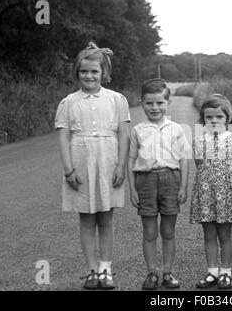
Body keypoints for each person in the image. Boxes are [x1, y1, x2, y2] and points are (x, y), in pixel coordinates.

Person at [54, 42, 130, 290]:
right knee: (86, 219)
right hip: (81, 163)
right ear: (77, 72)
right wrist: (68, 169)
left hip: (108, 162)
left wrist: (121, 166)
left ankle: (106, 269)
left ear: (103, 73)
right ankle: (91, 270)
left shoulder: (117, 100)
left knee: (106, 218)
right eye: (84, 71)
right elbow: (64, 136)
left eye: (94, 72)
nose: (89, 76)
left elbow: (123, 135)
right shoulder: (68, 102)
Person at [128, 78, 190, 290]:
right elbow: (130, 160)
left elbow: (183, 159)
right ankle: (152, 273)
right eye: (149, 103)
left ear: (168, 103)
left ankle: (167, 272)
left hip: (170, 180)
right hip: (145, 182)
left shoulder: (177, 129)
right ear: (142, 103)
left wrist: (183, 187)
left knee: (169, 231)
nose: (155, 108)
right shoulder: (137, 131)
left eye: (159, 103)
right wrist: (132, 189)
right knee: (149, 232)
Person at [190, 94, 232, 289]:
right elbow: (200, 165)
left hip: (227, 193)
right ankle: (211, 272)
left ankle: (226, 272)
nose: (214, 121)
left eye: (219, 117)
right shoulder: (198, 141)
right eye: (209, 117)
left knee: (225, 235)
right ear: (203, 119)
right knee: (208, 234)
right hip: (206, 193)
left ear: (228, 118)